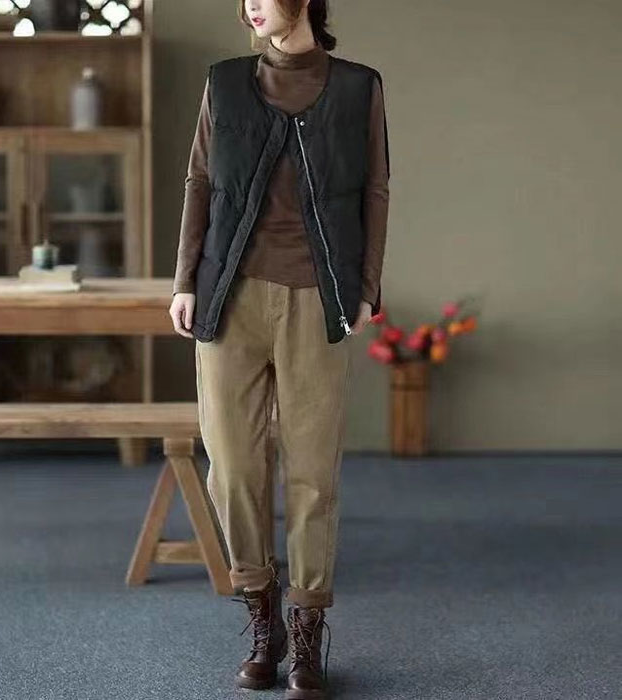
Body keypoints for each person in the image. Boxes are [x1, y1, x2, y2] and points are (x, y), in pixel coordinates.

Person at [169, 1, 390, 697]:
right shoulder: (224, 82)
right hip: (228, 296)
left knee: (313, 473)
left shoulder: (358, 87)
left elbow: (375, 190)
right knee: (233, 467)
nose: (251, 5)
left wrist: (366, 287)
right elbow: (200, 181)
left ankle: (307, 628)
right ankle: (260, 609)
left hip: (317, 298)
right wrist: (185, 281)